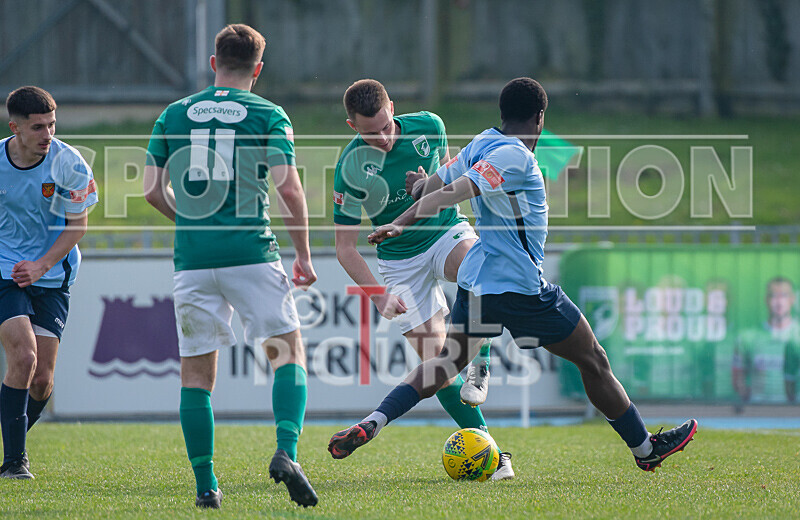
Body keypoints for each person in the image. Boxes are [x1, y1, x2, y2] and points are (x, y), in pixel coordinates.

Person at [329, 77, 698, 473]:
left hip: (477, 285)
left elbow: (436, 183)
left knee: (443, 364)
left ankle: (375, 420)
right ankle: (645, 449)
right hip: (522, 289)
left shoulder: (481, 142)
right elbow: (453, 192)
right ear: (539, 118)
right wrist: (404, 220)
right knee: (593, 359)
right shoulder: (516, 158)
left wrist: (419, 187)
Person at [144, 24, 318, 508]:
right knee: (288, 354)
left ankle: (206, 488)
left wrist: (192, 221)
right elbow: (288, 188)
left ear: (213, 63)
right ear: (258, 69)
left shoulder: (173, 113)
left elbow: (151, 190)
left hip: (193, 262)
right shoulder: (268, 113)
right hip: (251, 254)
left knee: (196, 377)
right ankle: (286, 453)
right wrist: (303, 254)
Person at [330, 79, 512, 479]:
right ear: (351, 126)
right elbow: (345, 248)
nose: (382, 138)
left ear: (393, 108)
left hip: (444, 232)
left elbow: (450, 182)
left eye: (386, 126)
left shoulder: (430, 126)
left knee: (481, 271)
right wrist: (378, 296)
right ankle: (492, 454)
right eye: (370, 133)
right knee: (437, 367)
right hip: (399, 262)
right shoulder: (350, 168)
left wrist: (428, 187)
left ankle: (480, 361)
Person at [0, 86, 97, 479]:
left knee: (41, 381)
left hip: (53, 275)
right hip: (5, 272)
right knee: (24, 358)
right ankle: (15, 462)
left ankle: (12, 436)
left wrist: (41, 265)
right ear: (15, 128)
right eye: (38, 127)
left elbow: (78, 226)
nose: (47, 134)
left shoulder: (69, 163)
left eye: (52, 125)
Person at [733, 277, 800, 404]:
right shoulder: (747, 337)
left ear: (792, 299)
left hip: (794, 412)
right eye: (774, 296)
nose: (779, 302)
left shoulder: (797, 336)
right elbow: (738, 378)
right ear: (766, 299)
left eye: (784, 296)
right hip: (758, 410)